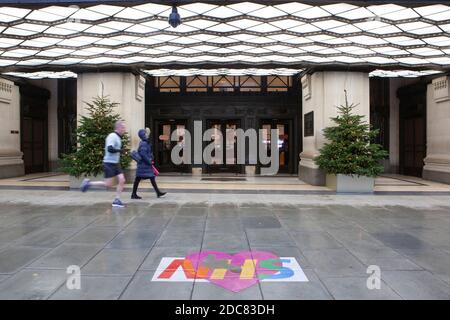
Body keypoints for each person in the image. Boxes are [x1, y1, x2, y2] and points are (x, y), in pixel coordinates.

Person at [79, 120, 127, 208]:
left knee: (122, 180)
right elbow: (110, 149)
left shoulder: (118, 137)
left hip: (116, 163)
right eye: (123, 127)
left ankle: (117, 199)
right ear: (118, 128)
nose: (125, 129)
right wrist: (121, 151)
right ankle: (89, 183)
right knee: (108, 184)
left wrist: (122, 151)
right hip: (109, 163)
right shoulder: (112, 136)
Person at [131, 128, 166, 199]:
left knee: (150, 177)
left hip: (144, 165)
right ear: (143, 135)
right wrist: (149, 161)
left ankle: (158, 192)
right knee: (139, 179)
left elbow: (146, 153)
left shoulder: (144, 142)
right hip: (144, 164)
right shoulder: (144, 143)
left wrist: (150, 156)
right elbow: (143, 154)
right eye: (145, 133)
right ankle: (134, 194)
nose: (147, 135)